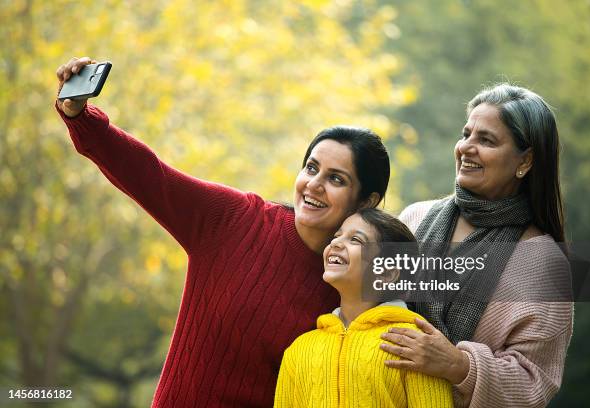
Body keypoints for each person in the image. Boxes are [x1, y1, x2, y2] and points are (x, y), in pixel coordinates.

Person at [55, 57, 391, 407]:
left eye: (336, 179)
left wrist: (453, 362)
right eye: (311, 168)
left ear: (367, 201)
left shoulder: (360, 279)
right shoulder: (234, 220)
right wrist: (80, 116)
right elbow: (147, 173)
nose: (314, 185)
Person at [381, 84, 573, 407]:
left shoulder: (544, 265)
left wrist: (458, 365)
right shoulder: (413, 219)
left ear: (524, 161)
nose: (466, 147)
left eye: (486, 140)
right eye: (466, 134)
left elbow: (532, 385)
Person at [274, 208, 453, 407]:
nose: (335, 243)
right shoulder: (300, 349)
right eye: (337, 235)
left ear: (386, 273)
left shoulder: (414, 344)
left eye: (355, 240)